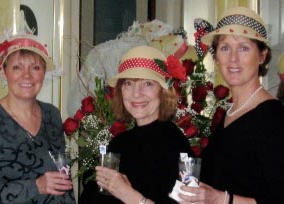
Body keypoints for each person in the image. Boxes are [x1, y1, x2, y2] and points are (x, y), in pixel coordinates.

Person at [178, 7, 284, 204]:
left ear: (262, 55)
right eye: (225, 48)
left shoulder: (274, 119)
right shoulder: (228, 114)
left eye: (244, 48)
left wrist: (221, 199)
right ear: (216, 57)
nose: (233, 58)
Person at [0, 33, 75, 204]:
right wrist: (35, 186)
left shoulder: (52, 114)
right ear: (3, 72)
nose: (27, 76)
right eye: (17, 67)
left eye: (35, 68)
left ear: (44, 73)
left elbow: (62, 178)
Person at [81, 46, 193, 204]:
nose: (136, 93)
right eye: (128, 83)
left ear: (163, 91)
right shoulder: (120, 143)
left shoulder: (176, 145)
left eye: (147, 84)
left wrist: (127, 194)